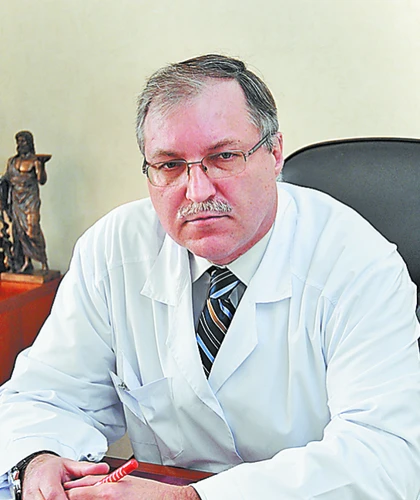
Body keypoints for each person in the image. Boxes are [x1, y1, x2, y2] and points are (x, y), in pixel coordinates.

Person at [0, 54, 419, 500]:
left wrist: (190, 498)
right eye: (169, 165)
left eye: (223, 157)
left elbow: (388, 458)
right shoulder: (113, 248)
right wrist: (37, 460)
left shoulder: (358, 263)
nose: (197, 191)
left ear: (275, 153)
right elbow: (46, 395)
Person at [1, 131, 49, 274]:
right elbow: (6, 179)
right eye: (19, 142)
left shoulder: (35, 161)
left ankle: (43, 260)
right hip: (16, 201)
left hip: (30, 201)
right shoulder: (12, 162)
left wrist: (41, 166)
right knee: (19, 232)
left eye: (23, 141)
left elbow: (42, 180)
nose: (20, 145)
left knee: (32, 231)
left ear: (30, 143)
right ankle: (26, 262)